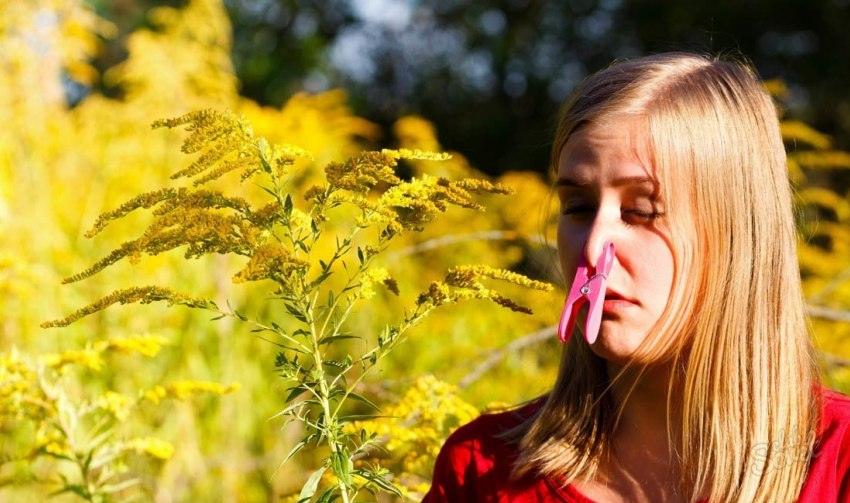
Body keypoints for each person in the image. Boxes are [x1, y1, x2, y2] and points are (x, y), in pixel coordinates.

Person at [422, 52, 850, 503]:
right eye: (579, 208)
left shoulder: (837, 465)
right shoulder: (483, 468)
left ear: (738, 231)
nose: (592, 249)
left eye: (641, 211)